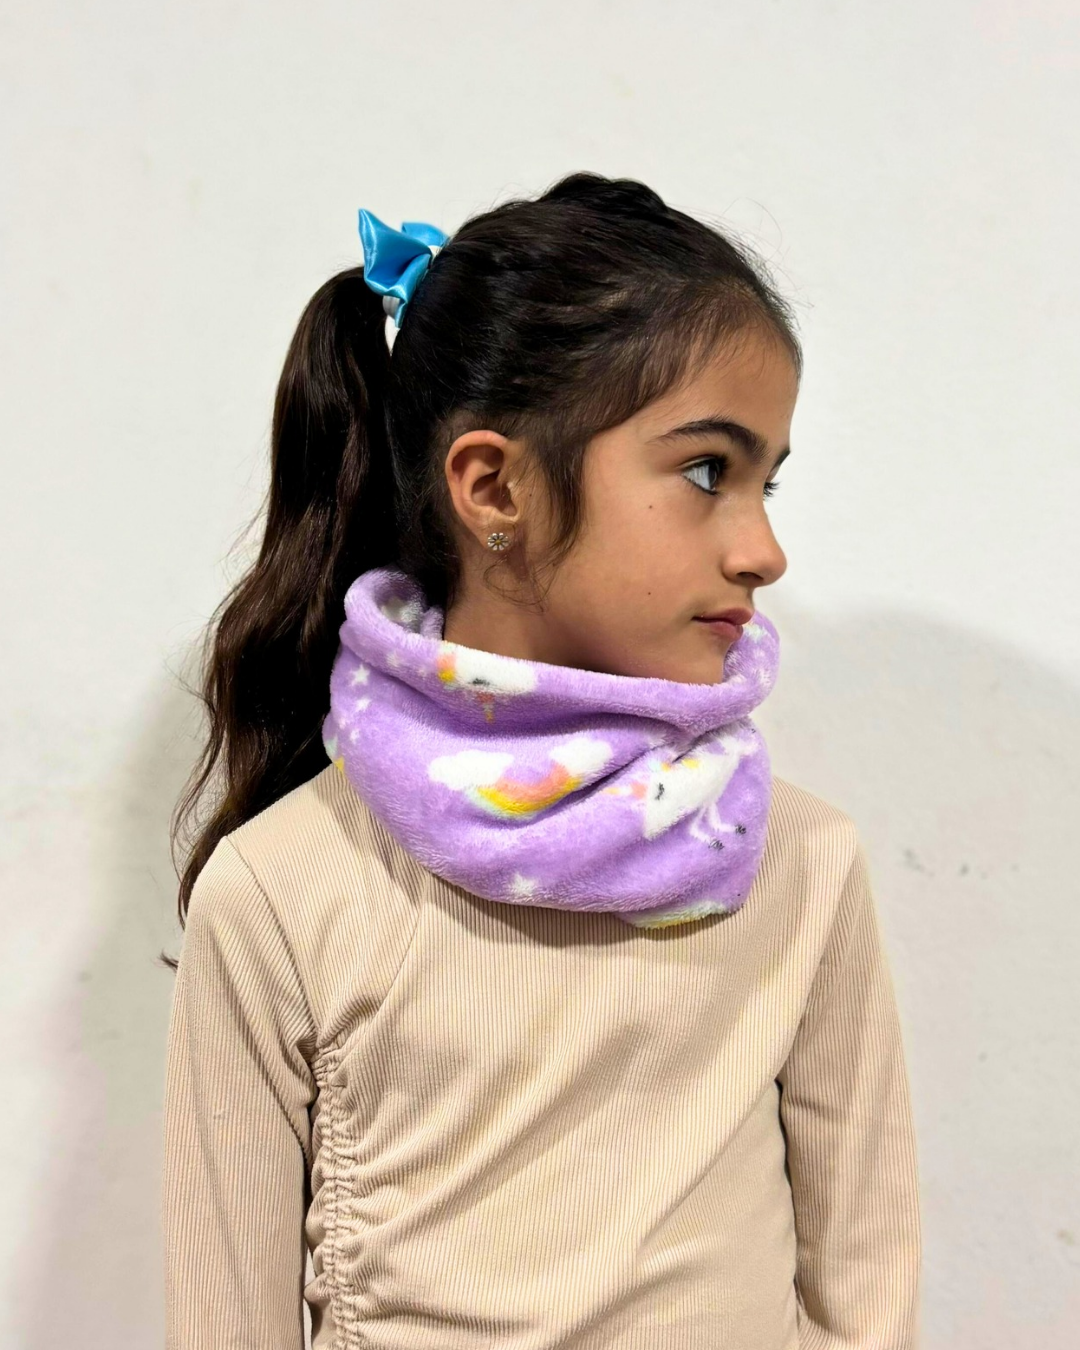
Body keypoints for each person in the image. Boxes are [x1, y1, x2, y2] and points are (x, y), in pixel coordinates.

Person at [160, 172, 922, 1349]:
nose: (764, 549)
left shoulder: (799, 863)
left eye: (765, 482)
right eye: (708, 472)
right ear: (495, 487)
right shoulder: (281, 892)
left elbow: (868, 1300)